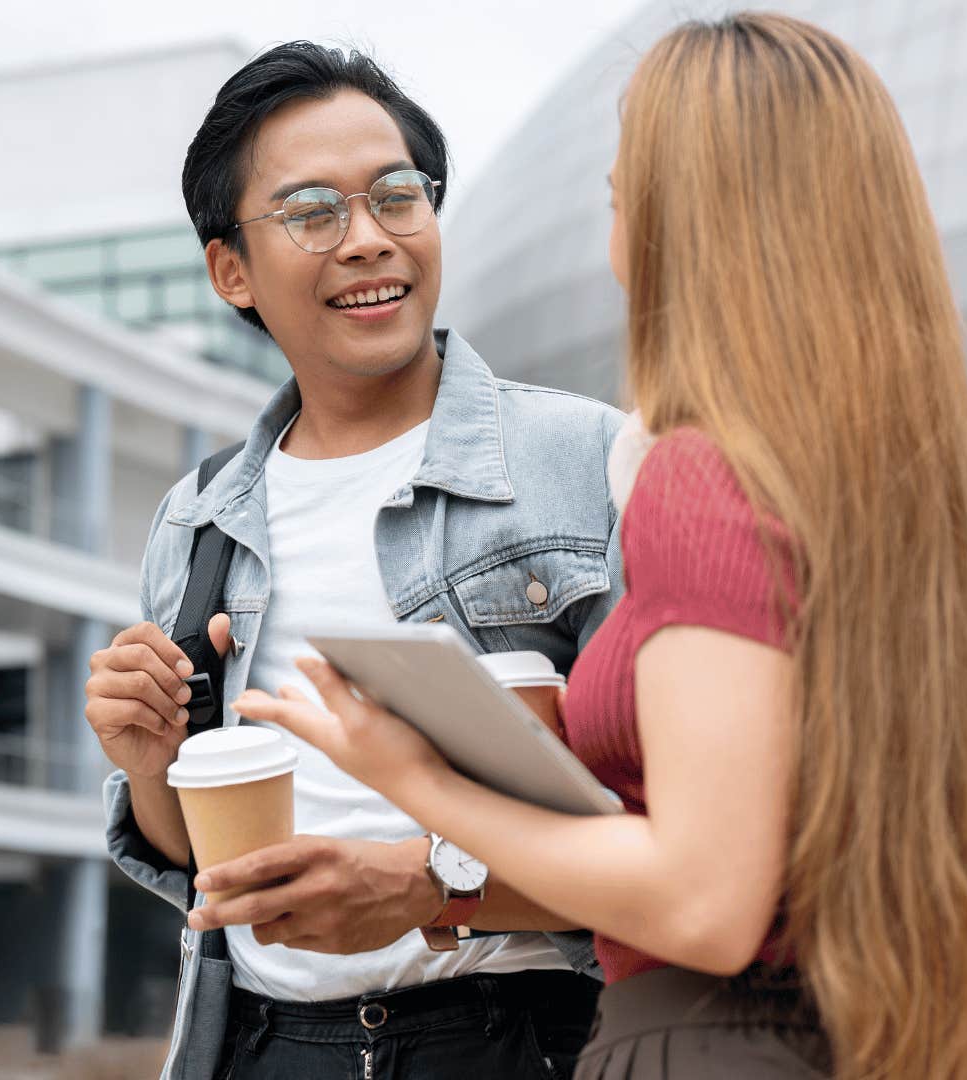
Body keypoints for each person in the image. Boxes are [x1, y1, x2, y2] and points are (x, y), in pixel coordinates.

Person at [232, 13, 967, 1079]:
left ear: (685, 223)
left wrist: (418, 780)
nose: (613, 235)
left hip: (702, 1041)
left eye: (623, 199)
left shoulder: (700, 480)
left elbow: (704, 903)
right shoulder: (889, 492)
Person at [86, 42, 624, 1080]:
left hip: (518, 1036)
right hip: (259, 1045)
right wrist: (151, 765)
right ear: (230, 270)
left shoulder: (588, 462)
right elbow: (203, 859)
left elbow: (672, 844)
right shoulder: (195, 521)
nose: (369, 240)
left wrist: (430, 882)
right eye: (313, 214)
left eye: (396, 197)